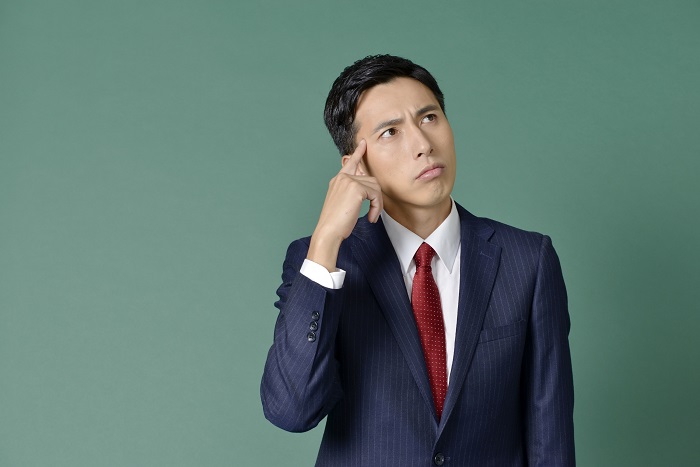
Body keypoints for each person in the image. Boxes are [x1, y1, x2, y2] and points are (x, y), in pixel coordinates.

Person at [261, 54, 575, 466]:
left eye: (429, 118)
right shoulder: (323, 262)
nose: (424, 144)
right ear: (355, 164)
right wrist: (325, 242)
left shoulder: (528, 260)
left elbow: (550, 437)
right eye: (390, 131)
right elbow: (291, 410)